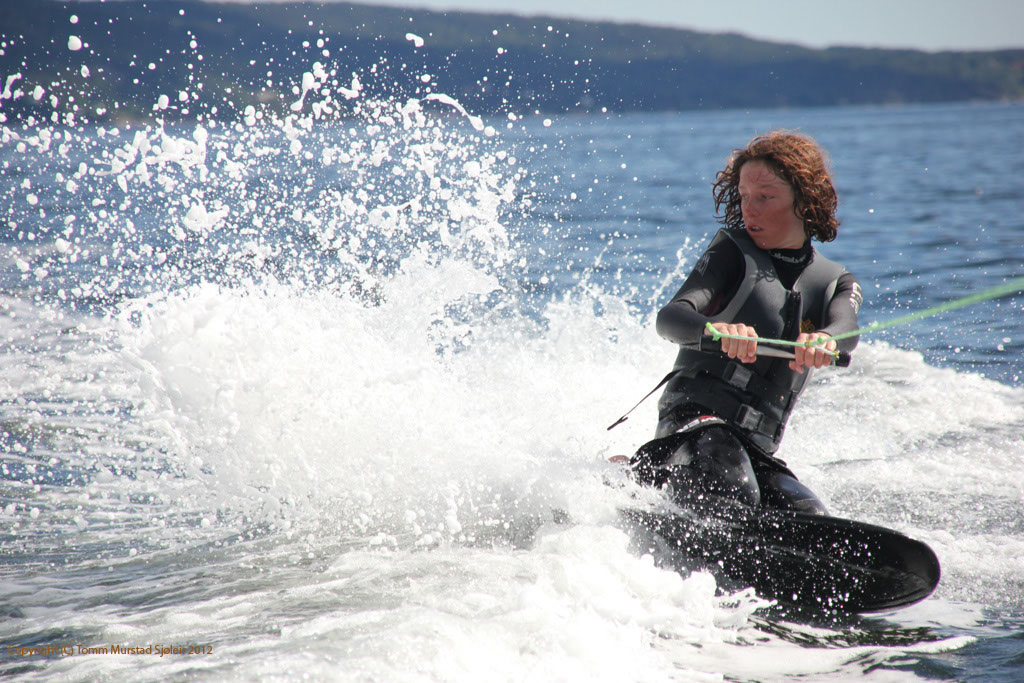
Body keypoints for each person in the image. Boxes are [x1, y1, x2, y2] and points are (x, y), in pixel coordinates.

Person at [630, 130, 862, 515]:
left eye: (765, 197)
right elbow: (671, 317)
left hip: (757, 452)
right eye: (743, 196)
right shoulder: (731, 254)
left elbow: (847, 329)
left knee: (809, 515)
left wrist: (825, 339)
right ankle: (641, 477)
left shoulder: (837, 283)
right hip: (691, 431)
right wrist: (714, 330)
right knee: (733, 483)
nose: (749, 209)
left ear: (804, 200)